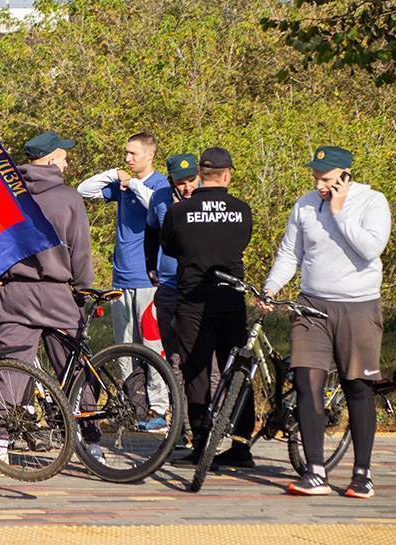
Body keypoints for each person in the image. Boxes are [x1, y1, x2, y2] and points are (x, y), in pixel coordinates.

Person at [260, 146, 391, 498]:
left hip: (358, 306)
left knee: (358, 388)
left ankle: (362, 474)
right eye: (316, 177)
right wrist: (271, 288)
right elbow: (291, 253)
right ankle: (314, 470)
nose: (320, 184)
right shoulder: (304, 204)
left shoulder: (372, 201)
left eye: (328, 179)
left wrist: (339, 212)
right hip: (311, 306)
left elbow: (370, 249)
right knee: (306, 380)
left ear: (346, 174)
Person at [0, 131, 93, 473]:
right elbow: (79, 248)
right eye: (63, 156)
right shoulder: (68, 197)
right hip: (58, 292)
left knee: (10, 368)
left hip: (15, 293)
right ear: (51, 160)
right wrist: (84, 287)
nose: (66, 162)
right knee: (74, 368)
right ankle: (91, 443)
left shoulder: (10, 195)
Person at [160, 147, 254, 468]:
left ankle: (202, 447)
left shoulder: (179, 211)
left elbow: (171, 247)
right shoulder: (242, 210)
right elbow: (241, 243)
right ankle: (241, 447)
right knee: (238, 372)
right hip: (230, 300)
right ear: (227, 175)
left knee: (196, 373)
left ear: (200, 174)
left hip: (193, 302)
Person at [78, 133, 169, 427]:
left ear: (150, 155)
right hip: (121, 278)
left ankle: (159, 408)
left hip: (148, 279)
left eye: (133, 154)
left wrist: (133, 183)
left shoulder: (161, 185)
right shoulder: (123, 185)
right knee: (123, 346)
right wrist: (114, 175)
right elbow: (84, 189)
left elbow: (154, 206)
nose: (128, 159)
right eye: (126, 154)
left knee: (153, 347)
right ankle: (134, 407)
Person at [144, 154, 201, 441]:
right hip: (168, 287)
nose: (188, 187)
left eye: (192, 180)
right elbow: (151, 232)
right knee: (174, 359)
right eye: (181, 183)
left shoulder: (206, 200)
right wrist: (149, 266)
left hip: (198, 290)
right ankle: (181, 426)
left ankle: (203, 423)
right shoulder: (161, 198)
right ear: (171, 182)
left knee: (199, 360)